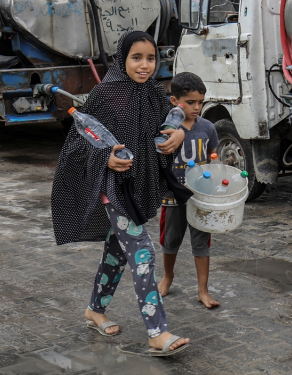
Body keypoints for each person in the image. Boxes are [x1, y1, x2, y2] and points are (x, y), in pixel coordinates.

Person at [51, 31, 192, 356]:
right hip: (111, 187)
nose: (144, 65)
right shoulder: (105, 94)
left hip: (138, 185)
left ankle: (94, 310)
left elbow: (166, 128)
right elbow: (79, 141)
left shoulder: (157, 94)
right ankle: (158, 333)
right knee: (142, 251)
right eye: (136, 58)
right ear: (122, 59)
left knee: (116, 255)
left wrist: (178, 135)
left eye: (151, 58)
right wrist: (105, 157)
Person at [157, 72, 220, 309]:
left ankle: (203, 290)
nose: (197, 107)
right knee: (170, 239)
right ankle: (167, 277)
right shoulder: (166, 127)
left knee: (201, 242)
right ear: (174, 101)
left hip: (199, 195)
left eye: (200, 102)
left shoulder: (208, 128)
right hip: (172, 195)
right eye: (190, 102)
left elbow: (213, 157)